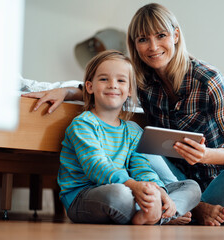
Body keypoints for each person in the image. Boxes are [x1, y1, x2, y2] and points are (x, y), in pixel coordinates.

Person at [23, 3, 224, 226]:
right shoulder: (140, 79)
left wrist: (205, 155)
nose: (153, 47)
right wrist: (65, 91)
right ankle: (187, 210)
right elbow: (107, 85)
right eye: (143, 39)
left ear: (176, 36)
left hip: (217, 185)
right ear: (134, 45)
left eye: (161, 35)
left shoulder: (208, 79)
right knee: (145, 142)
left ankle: (189, 210)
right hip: (174, 184)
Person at [57, 49, 201, 225]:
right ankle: (160, 216)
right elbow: (96, 167)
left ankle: (155, 213)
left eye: (121, 80)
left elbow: (141, 166)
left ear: (130, 90)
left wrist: (157, 190)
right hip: (84, 197)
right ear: (89, 86)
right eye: (104, 79)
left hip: (128, 190)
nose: (113, 85)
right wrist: (134, 186)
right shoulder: (83, 124)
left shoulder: (132, 131)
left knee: (191, 187)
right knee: (119, 194)